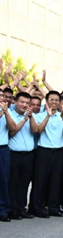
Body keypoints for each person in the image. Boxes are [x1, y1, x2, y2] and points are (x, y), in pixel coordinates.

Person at [29, 91, 63, 217]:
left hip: (59, 151)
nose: (54, 102)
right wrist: (48, 116)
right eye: (51, 99)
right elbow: (38, 130)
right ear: (47, 101)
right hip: (44, 151)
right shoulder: (39, 115)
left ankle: (53, 207)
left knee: (55, 181)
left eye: (57, 100)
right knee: (40, 181)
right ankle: (37, 208)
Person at [7, 92, 36, 219]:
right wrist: (24, 119)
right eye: (22, 102)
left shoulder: (30, 115)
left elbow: (35, 130)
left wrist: (30, 117)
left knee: (24, 183)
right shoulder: (10, 114)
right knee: (13, 183)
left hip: (29, 154)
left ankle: (21, 208)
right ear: (15, 102)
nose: (24, 105)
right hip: (14, 154)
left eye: (27, 103)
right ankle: (12, 209)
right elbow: (12, 132)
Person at [0, 92, 10, 221]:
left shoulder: (8, 110)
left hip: (3, 148)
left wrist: (6, 112)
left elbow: (12, 127)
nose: (1, 97)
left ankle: (3, 210)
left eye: (2, 95)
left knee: (3, 180)